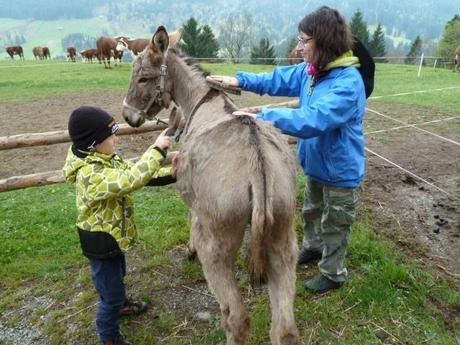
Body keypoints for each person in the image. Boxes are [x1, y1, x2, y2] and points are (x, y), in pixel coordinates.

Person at [209, 6, 374, 293]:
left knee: (335, 223)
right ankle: (312, 247)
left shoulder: (347, 84)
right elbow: (278, 78)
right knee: (312, 211)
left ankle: (333, 272)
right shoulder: (313, 72)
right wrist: (239, 81)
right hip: (316, 165)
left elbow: (313, 119)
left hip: (340, 171)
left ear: (322, 42)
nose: (299, 47)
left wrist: (263, 117)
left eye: (304, 40)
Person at [63, 106, 175, 345]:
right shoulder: (90, 174)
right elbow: (131, 180)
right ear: (93, 143)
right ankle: (110, 337)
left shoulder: (106, 158)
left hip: (112, 237)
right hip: (100, 242)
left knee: (117, 275)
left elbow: (137, 173)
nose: (115, 138)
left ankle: (120, 304)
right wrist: (157, 150)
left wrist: (174, 172)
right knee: (109, 295)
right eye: (110, 135)